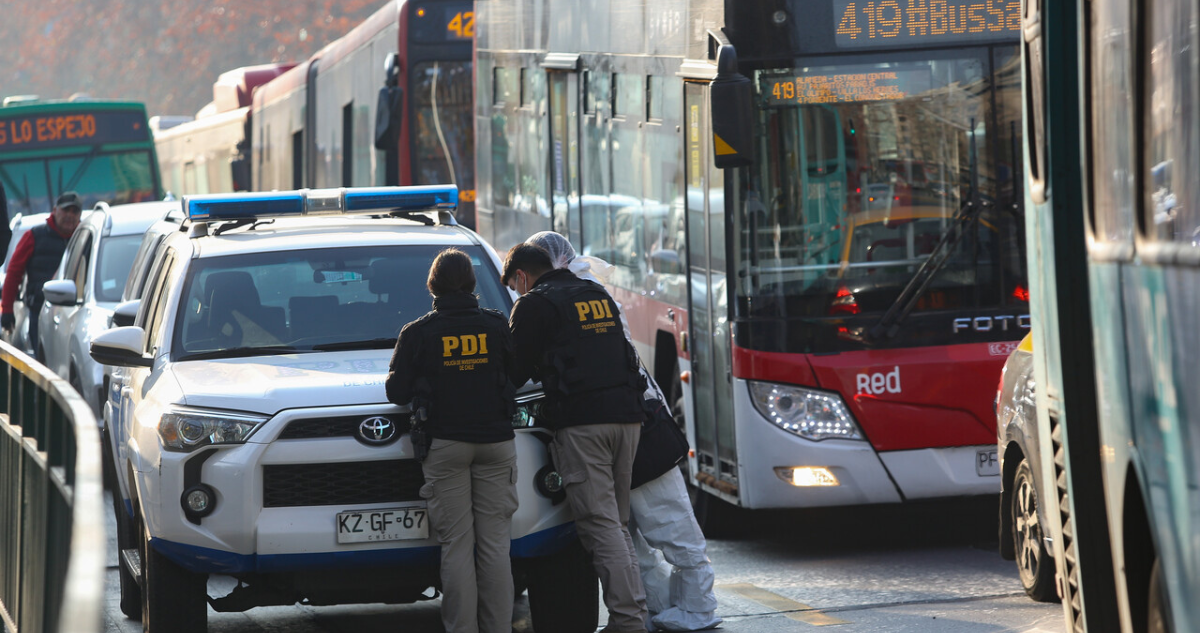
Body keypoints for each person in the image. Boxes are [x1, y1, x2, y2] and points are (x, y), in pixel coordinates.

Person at [525, 231, 721, 632]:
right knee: (632, 534)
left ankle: (694, 608)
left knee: (663, 526)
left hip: (630, 425)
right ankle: (661, 608)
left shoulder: (563, 298)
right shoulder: (591, 293)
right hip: (635, 421)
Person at [503, 242, 649, 633]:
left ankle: (629, 622)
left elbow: (514, 372)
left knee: (600, 528)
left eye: (515, 287)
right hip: (628, 419)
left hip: (584, 424)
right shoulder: (594, 292)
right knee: (616, 525)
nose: (517, 293)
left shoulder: (534, 303)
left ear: (521, 276)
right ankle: (631, 618)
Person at [385, 248, 519, 633]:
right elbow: (518, 373)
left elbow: (396, 392)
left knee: (457, 546)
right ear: (472, 284)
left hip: (445, 445)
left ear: (433, 285)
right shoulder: (496, 325)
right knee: (495, 546)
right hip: (496, 442)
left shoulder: (419, 332)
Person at [1, 191, 82, 356]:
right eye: (66, 210)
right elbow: (14, 273)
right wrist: (7, 310)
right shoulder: (33, 236)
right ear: (55, 210)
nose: (70, 216)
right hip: (39, 315)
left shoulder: (85, 240)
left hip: (74, 316)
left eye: (75, 211)